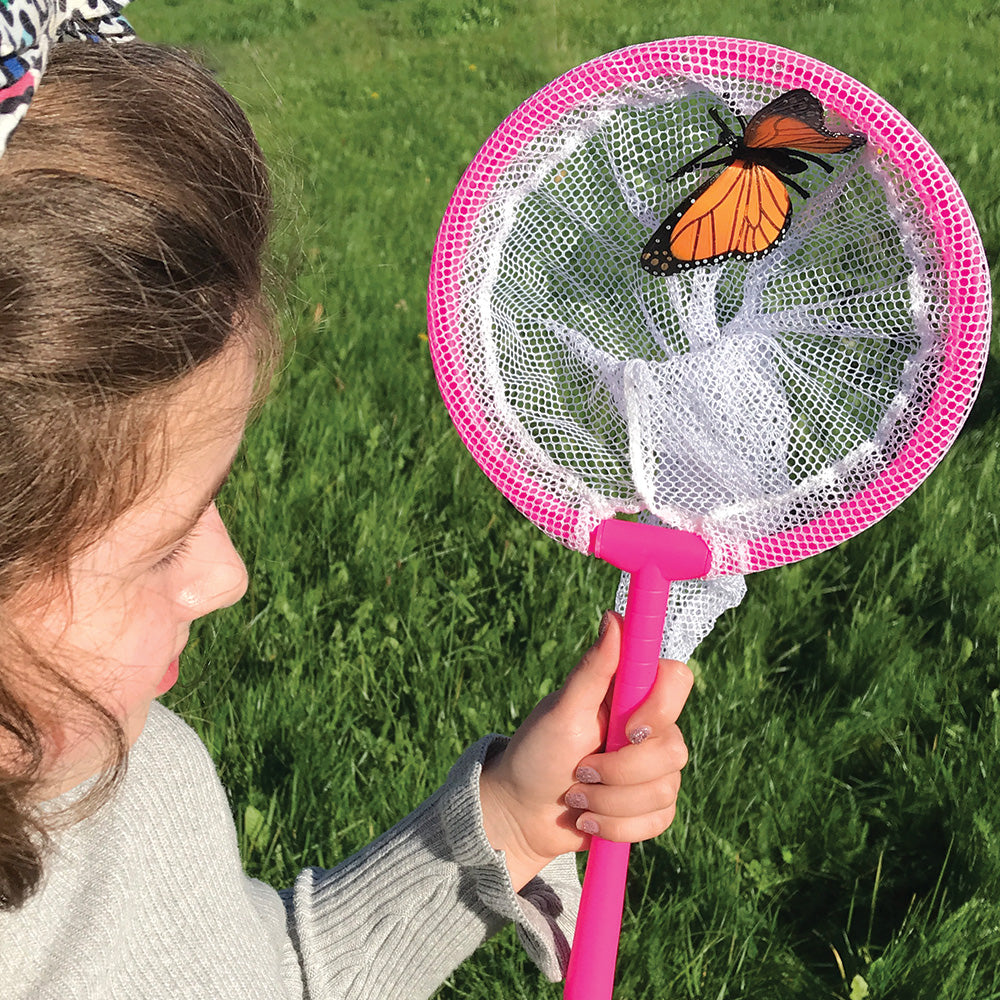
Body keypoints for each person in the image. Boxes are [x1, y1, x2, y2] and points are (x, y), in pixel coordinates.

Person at [0, 4, 695, 997]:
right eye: (159, 545)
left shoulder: (136, 769)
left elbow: (258, 975)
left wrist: (501, 822)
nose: (227, 574)